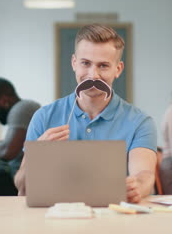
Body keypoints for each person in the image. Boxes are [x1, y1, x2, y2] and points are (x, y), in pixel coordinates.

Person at [14, 24, 157, 203]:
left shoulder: (140, 122)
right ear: (74, 63)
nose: (93, 75)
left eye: (103, 66)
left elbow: (144, 175)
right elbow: (21, 186)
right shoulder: (43, 117)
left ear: (118, 69)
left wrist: (137, 187)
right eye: (85, 63)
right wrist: (39, 156)